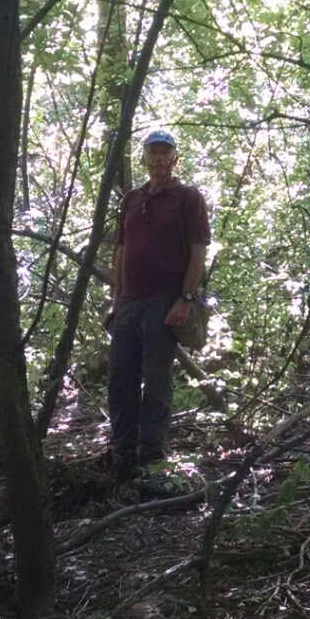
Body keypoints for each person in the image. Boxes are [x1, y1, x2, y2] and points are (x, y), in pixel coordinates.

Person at [104, 128, 209, 483]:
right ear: (143, 158)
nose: (160, 158)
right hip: (129, 303)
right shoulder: (131, 199)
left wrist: (186, 297)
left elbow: (198, 250)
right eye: (154, 152)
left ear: (175, 158)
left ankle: (151, 458)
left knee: (157, 378)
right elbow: (120, 251)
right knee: (121, 377)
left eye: (166, 153)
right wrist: (116, 300)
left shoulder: (188, 197)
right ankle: (122, 450)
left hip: (165, 301)